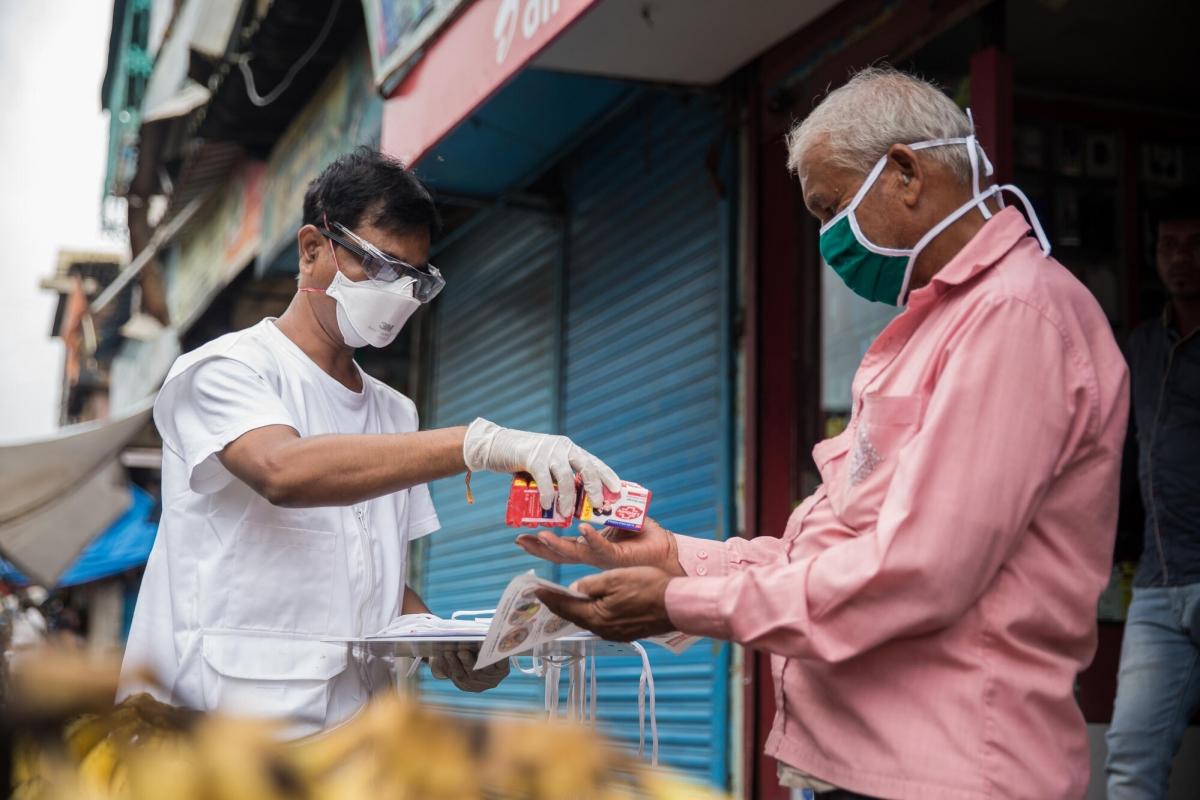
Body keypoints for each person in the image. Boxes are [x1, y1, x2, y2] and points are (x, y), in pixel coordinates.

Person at [519, 67, 1129, 799]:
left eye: (830, 208)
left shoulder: (1015, 320)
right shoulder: (937, 328)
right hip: (875, 771)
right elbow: (837, 548)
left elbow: (916, 571)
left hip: (955, 774)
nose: (828, 241)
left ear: (905, 172)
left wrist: (677, 603)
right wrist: (676, 557)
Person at [119, 148, 621, 736]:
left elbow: (369, 575)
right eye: (380, 266)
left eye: (415, 279)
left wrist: (445, 641)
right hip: (211, 734)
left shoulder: (394, 411)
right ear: (313, 249)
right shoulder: (225, 370)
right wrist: (474, 444)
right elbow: (282, 471)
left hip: (351, 742)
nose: (398, 294)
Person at [1106, 197, 1200, 798]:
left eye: (1194, 245)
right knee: (1131, 760)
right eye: (1168, 246)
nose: (1180, 259)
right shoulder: (1140, 343)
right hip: (1159, 586)